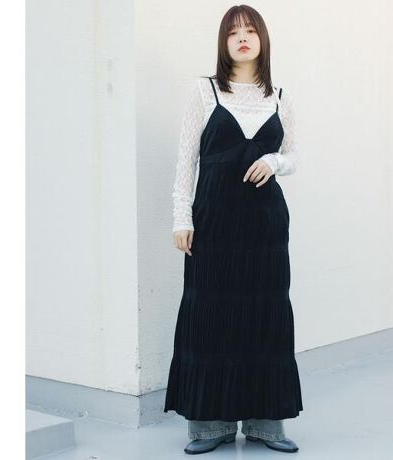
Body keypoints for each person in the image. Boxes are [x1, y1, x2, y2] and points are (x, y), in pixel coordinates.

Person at [164, 4, 303, 455]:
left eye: (250, 30)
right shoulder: (204, 93)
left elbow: (293, 155)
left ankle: (266, 425)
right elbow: (186, 161)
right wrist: (181, 218)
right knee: (211, 318)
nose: (242, 37)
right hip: (214, 223)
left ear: (263, 39)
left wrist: (274, 161)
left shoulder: (280, 96)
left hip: (265, 227)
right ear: (223, 43)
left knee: (265, 318)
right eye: (233, 32)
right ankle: (210, 427)